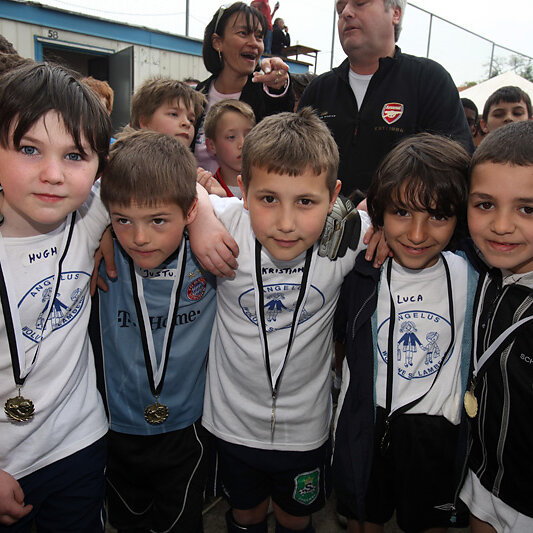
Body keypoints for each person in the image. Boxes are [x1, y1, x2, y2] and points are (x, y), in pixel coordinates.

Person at [196, 107, 379, 533]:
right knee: (245, 515)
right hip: (231, 423)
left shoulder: (350, 235)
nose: (285, 223)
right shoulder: (225, 223)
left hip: (306, 430)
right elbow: (167, 172)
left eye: (306, 202)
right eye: (268, 199)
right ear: (243, 191)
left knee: (295, 519)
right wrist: (199, 214)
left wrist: (386, 229)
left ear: (332, 197)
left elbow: (401, 213)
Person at [333, 133, 477, 533]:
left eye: (438, 216)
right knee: (364, 519)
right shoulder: (360, 270)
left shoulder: (473, 273)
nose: (416, 234)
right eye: (401, 212)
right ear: (380, 211)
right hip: (366, 422)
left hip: (436, 433)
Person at [0, 62, 111, 530]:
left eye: (75, 155)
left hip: (78, 445)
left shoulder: (91, 212)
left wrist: (202, 220)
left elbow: (169, 178)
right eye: (29, 149)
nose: (53, 174)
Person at [94, 130, 216, 532]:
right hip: (115, 427)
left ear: (189, 211)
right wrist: (103, 228)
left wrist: (206, 210)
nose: (140, 237)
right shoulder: (96, 248)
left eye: (158, 220)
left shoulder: (212, 252)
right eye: (123, 220)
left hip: (187, 428)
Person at [299, 0, 474, 196]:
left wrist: (385, 203)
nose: (346, 12)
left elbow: (455, 168)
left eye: (360, 3)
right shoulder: (319, 90)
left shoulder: (429, 80)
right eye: (340, 8)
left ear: (395, 13)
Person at [459, 120, 533, 533]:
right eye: (485, 205)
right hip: (483, 478)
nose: (501, 225)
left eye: (528, 209)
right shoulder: (483, 266)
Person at [194, 2, 293, 174]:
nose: (254, 43)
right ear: (217, 42)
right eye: (243, 33)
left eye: (259, 36)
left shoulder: (266, 93)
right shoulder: (197, 96)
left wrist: (278, 86)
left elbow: (282, 123)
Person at [204, 99, 256, 198]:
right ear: (211, 145)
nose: (243, 144)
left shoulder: (271, 183)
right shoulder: (207, 192)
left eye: (249, 135)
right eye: (231, 137)